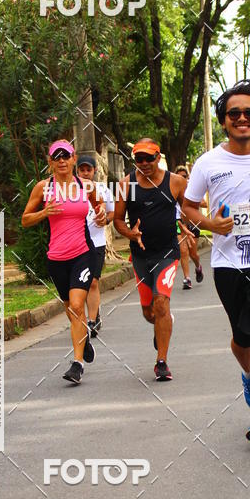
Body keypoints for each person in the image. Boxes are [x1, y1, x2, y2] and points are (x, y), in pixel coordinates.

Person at [182, 79, 250, 448]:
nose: (242, 118)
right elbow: (187, 205)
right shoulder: (208, 162)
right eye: (234, 113)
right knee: (240, 338)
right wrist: (210, 224)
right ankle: (248, 374)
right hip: (227, 263)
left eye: (249, 112)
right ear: (224, 119)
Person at [22, 139, 104, 384]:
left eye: (65, 156)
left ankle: (77, 364)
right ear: (50, 162)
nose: (61, 161)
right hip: (56, 258)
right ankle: (84, 339)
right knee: (71, 310)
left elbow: (100, 210)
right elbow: (25, 219)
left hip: (83, 253)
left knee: (78, 306)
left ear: (73, 159)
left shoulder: (86, 186)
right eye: (56, 157)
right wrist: (44, 212)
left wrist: (101, 216)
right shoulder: (42, 188)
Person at [113, 138, 186, 381]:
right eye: (139, 159)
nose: (144, 163)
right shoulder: (126, 185)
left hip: (167, 254)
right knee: (149, 312)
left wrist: (187, 225)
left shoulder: (175, 181)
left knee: (161, 303)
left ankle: (161, 362)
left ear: (158, 157)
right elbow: (118, 220)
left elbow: (189, 209)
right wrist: (130, 234)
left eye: (148, 158)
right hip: (141, 255)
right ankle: (161, 326)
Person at [77, 155, 115, 334]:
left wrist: (105, 220)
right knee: (79, 285)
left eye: (88, 170)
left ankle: (92, 321)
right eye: (82, 170)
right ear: (77, 171)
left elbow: (112, 212)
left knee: (92, 282)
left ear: (94, 171)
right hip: (75, 243)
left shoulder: (102, 189)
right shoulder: (70, 190)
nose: (85, 173)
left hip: (97, 242)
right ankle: (90, 315)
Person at [174, 165, 204, 289]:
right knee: (183, 250)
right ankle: (187, 278)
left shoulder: (191, 187)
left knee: (193, 252)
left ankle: (198, 266)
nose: (182, 179)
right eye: (179, 176)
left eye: (185, 176)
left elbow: (204, 203)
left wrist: (191, 200)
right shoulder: (172, 187)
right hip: (177, 220)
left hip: (191, 221)